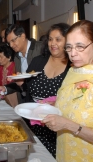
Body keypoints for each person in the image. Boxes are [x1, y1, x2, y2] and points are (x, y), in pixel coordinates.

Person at [0, 23, 71, 158]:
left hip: (56, 128)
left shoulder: (72, 67)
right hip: (33, 122)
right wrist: (20, 84)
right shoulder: (38, 61)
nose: (53, 43)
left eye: (58, 39)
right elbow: (27, 87)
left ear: (67, 41)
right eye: (50, 39)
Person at [42, 20, 93, 161]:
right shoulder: (73, 72)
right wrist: (52, 107)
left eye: (80, 47)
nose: (73, 53)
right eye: (69, 47)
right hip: (65, 153)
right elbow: (73, 103)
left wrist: (67, 125)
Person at [4, 24, 44, 103]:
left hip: (42, 101)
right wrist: (5, 88)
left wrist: (24, 84)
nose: (11, 45)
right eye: (9, 43)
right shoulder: (16, 57)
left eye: (13, 40)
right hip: (25, 100)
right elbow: (19, 83)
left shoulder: (40, 48)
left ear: (22, 36)